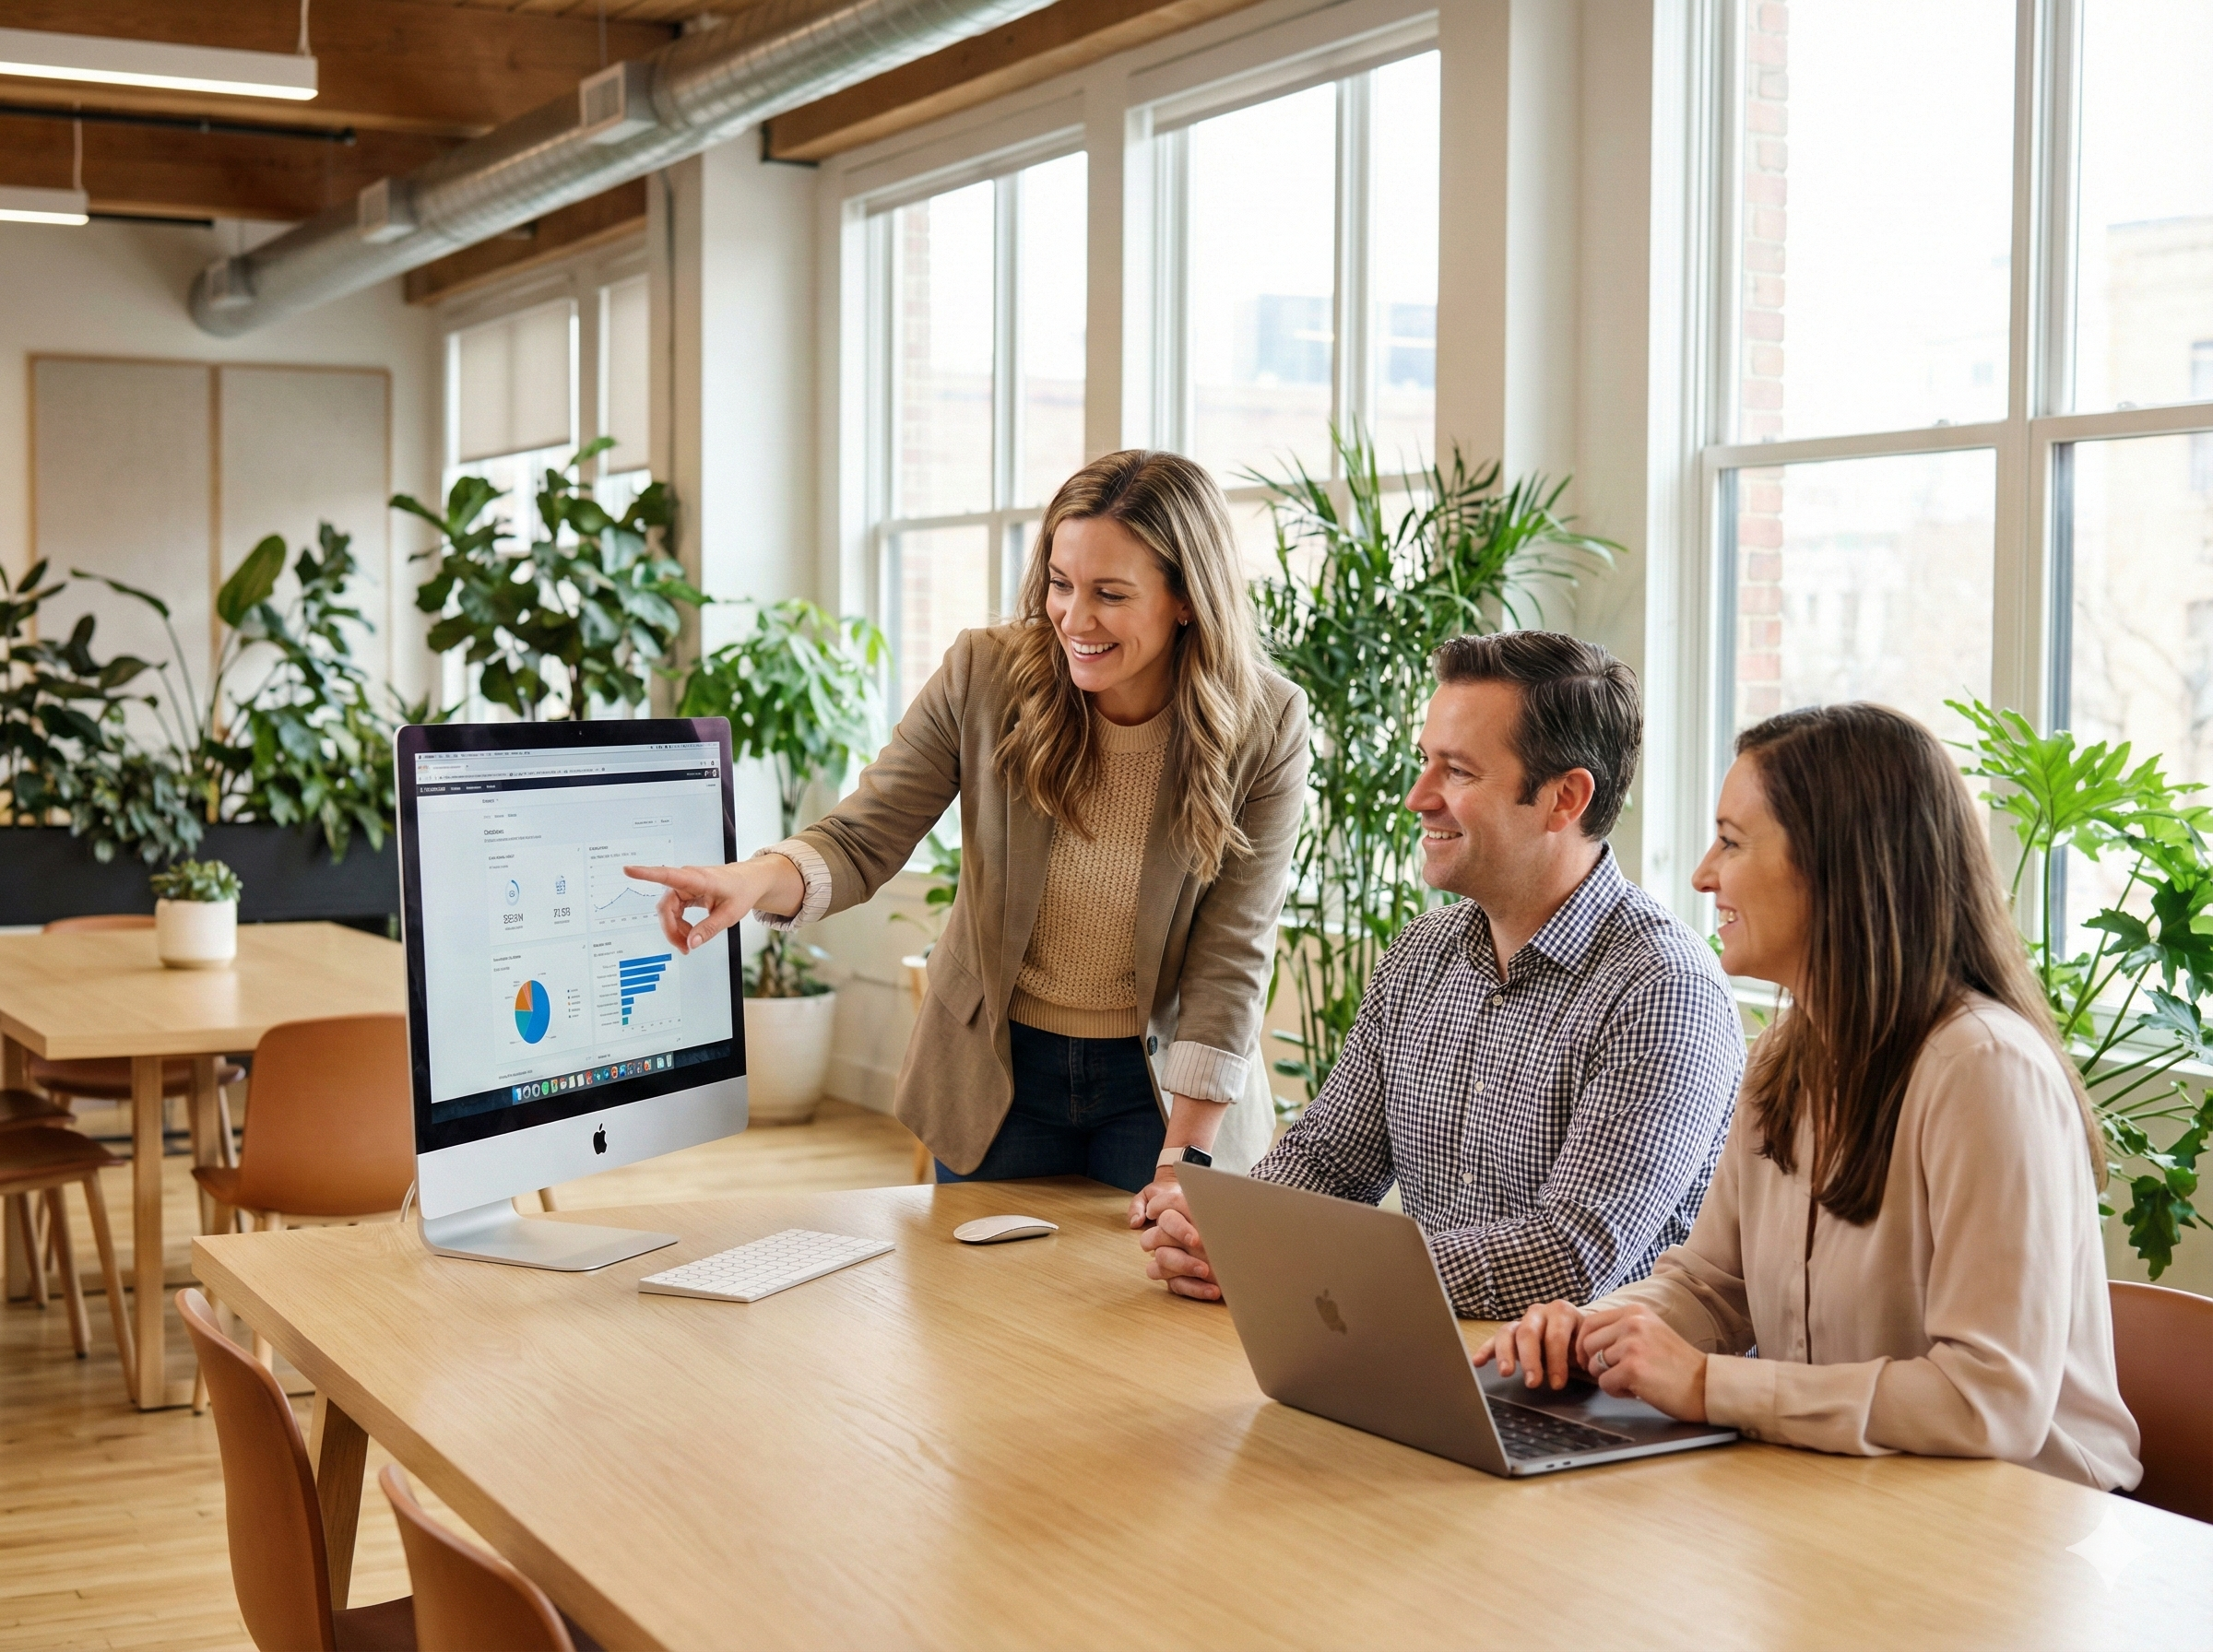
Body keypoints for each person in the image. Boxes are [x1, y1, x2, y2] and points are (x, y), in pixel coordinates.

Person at [1478, 703, 2143, 1492]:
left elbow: (1987, 1404)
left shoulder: (1985, 1070)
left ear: (1836, 864)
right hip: (1853, 1496)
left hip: (2026, 1533)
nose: (1702, 874)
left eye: (1730, 841)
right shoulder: (1785, 1060)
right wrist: (1595, 1332)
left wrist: (1704, 1386)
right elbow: (1709, 1285)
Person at [627, 450, 1308, 1197]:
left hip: (1164, 1091)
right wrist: (748, 880)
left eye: (1109, 594)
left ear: (1187, 598)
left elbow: (1231, 952)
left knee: (1147, 1311)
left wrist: (1186, 1163)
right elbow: (865, 835)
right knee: (980, 1307)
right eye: (1059, 583)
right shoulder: (986, 674)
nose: (1074, 620)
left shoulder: (1264, 723)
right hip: (998, 1075)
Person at [1137, 631, 1745, 1317]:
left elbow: (1570, 1255)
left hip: (1597, 1400)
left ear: (1565, 798)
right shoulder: (1423, 953)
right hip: (1427, 1354)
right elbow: (1330, 1161)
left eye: (1457, 772)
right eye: (1425, 762)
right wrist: (1230, 1233)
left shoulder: (1664, 990)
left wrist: (1304, 1260)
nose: (1416, 798)